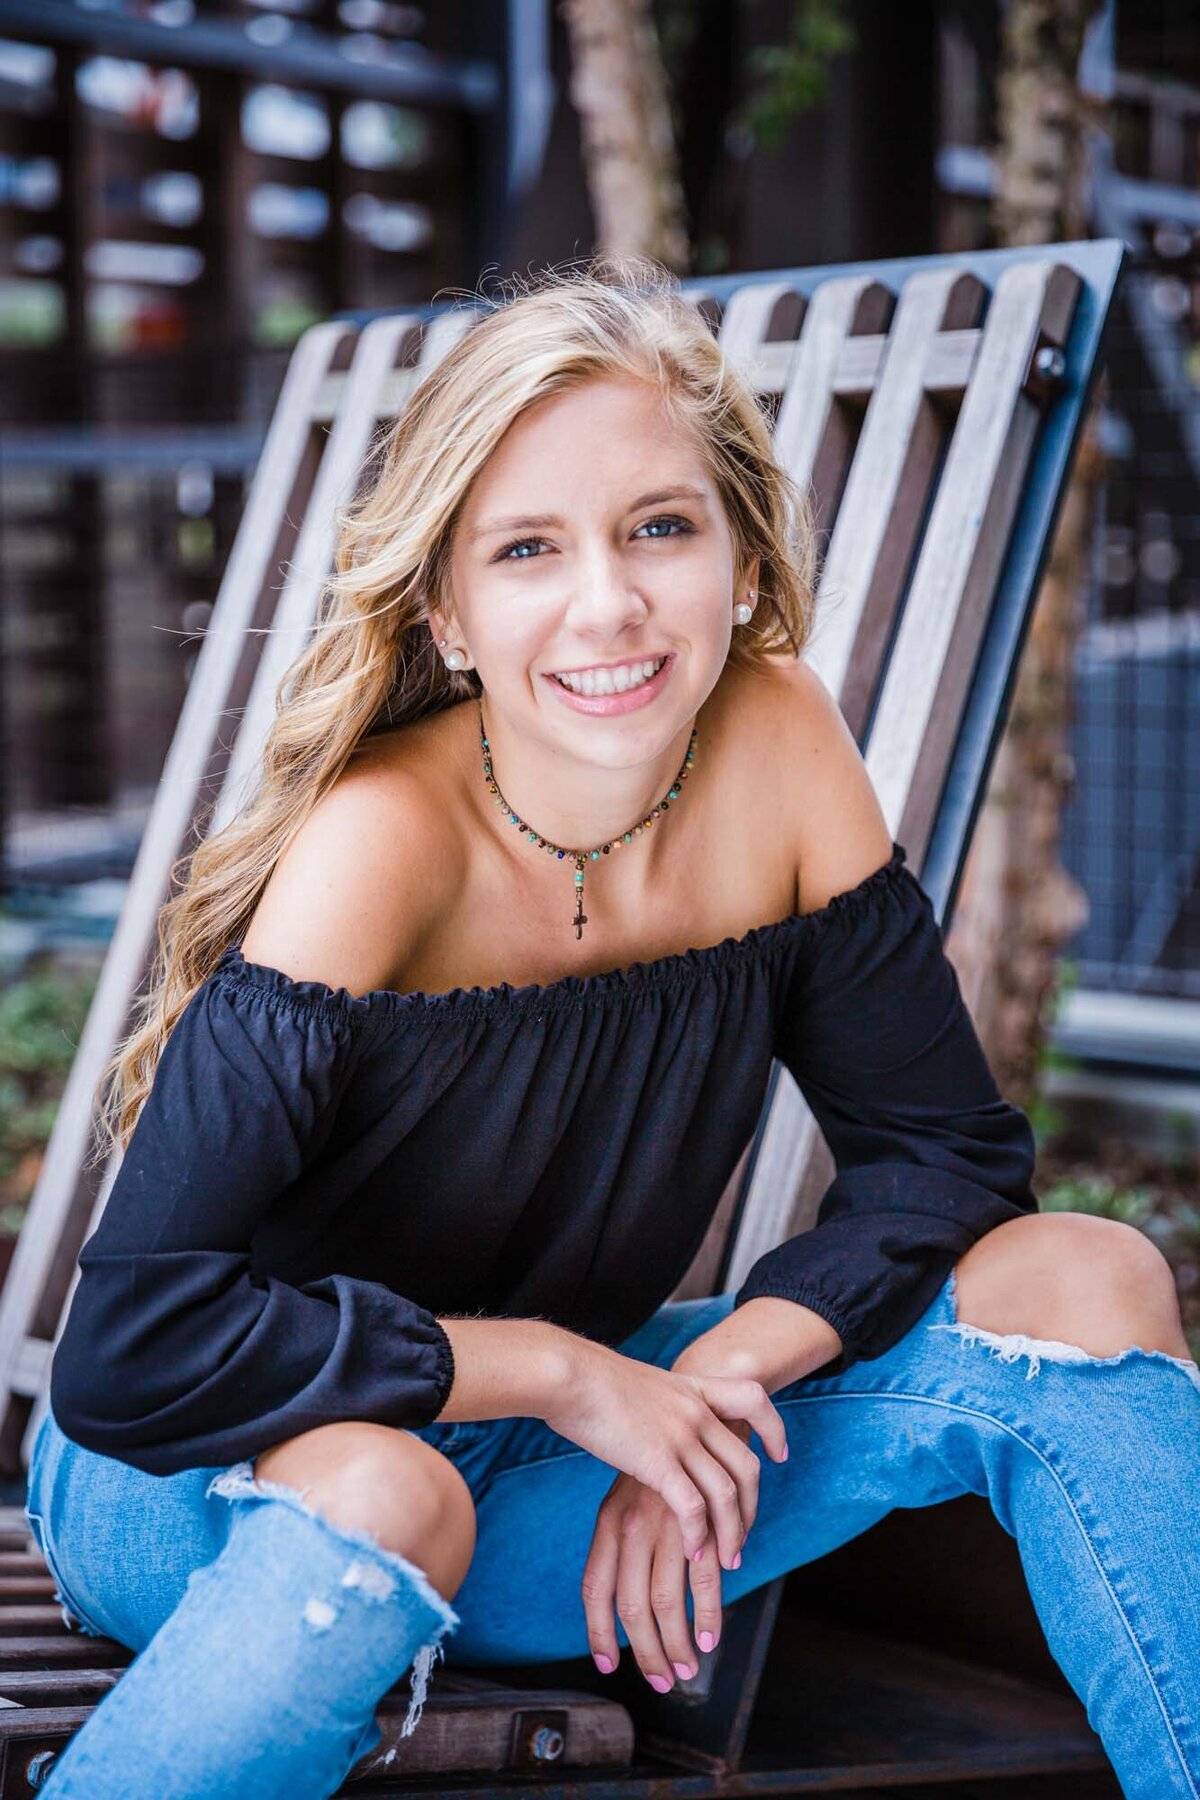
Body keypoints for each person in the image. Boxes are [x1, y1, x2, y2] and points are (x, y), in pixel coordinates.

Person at [24, 256, 1200, 1800]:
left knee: (1090, 1273)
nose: (611, 602)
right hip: (211, 1481)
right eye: (528, 548)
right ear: (446, 609)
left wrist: (709, 1389)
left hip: (553, 1499)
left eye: (661, 526)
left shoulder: (776, 744)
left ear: (736, 551)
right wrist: (571, 1379)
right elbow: (136, 1351)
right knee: (391, 1489)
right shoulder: (384, 843)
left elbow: (947, 1160)